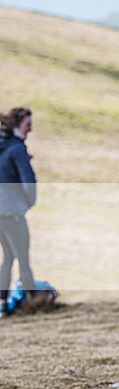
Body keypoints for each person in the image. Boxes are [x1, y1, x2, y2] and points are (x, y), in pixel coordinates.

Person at [0, 107, 37, 318]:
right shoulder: (17, 148)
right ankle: (34, 304)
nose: (30, 130)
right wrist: (28, 203)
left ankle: (2, 305)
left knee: (7, 258)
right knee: (23, 259)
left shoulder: (3, 146)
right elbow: (28, 182)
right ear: (17, 125)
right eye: (28, 125)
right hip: (12, 213)